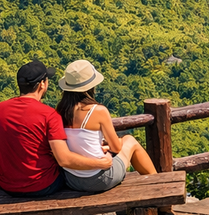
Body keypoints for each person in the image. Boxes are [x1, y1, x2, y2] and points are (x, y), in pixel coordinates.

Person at [0, 60, 114, 197]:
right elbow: (64, 160)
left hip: (9, 187)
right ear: (42, 84)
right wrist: (101, 163)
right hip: (44, 185)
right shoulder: (49, 115)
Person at [55, 59, 158, 192]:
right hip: (100, 179)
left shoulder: (59, 111)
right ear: (91, 87)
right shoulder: (97, 111)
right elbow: (116, 147)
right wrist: (107, 148)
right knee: (129, 141)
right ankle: (158, 187)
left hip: (72, 179)